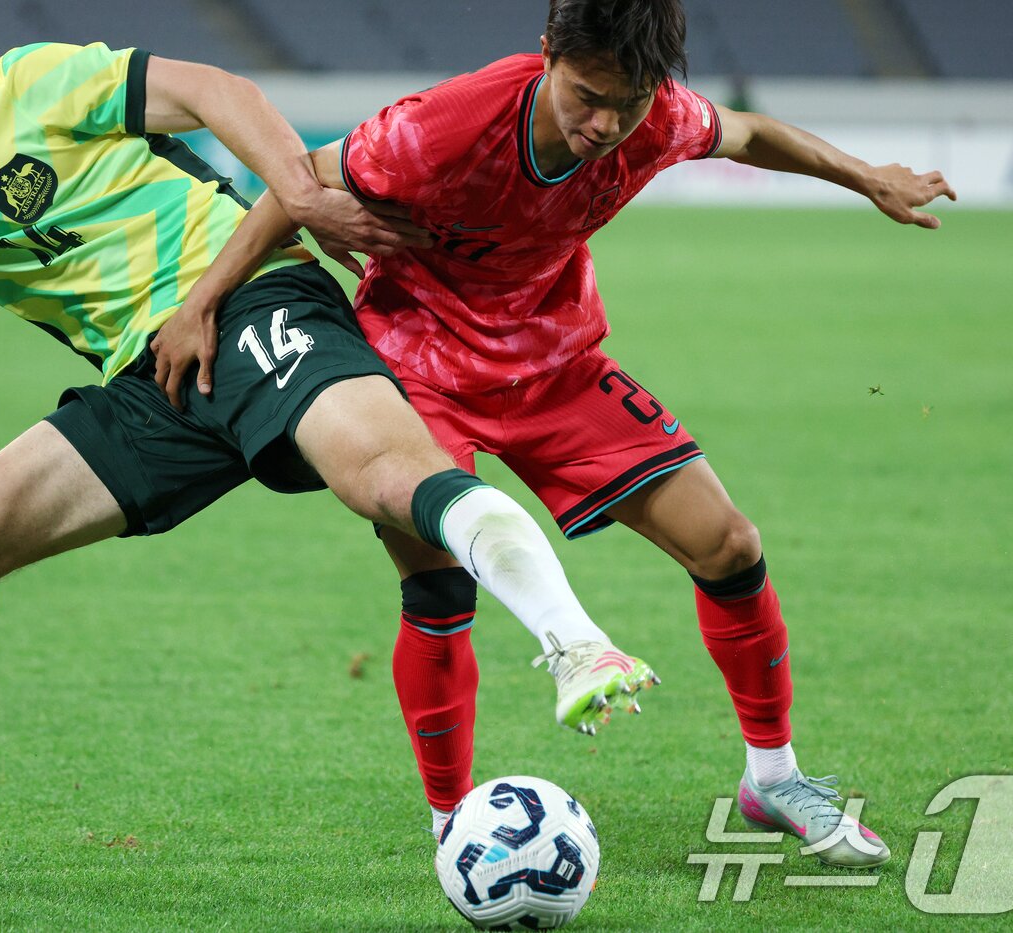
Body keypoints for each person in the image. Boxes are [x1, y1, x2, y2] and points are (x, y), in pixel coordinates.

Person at [0, 34, 658, 884]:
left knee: (388, 481)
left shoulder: (34, 85)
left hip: (251, 305)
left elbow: (212, 93)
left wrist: (299, 192)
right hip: (152, 387)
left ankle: (576, 642)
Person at [153, 0, 958, 868]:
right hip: (417, 368)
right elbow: (298, 179)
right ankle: (450, 821)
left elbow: (751, 134)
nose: (606, 125)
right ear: (546, 56)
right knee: (439, 588)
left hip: (554, 364)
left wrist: (865, 175)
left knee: (728, 543)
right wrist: (202, 301)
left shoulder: (656, 118)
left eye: (632, 101)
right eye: (586, 96)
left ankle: (774, 776)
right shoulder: (441, 128)